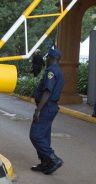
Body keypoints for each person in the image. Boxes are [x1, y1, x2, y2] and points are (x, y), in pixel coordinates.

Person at [29, 47, 64, 175]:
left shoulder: (51, 71)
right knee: (44, 135)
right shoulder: (58, 71)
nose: (46, 59)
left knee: (35, 135)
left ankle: (53, 159)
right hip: (50, 107)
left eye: (48, 57)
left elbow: (47, 91)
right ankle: (45, 162)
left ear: (52, 58)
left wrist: (38, 110)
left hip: (46, 107)